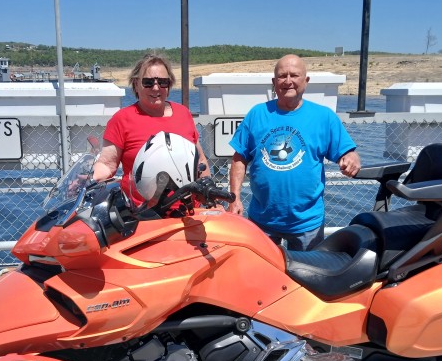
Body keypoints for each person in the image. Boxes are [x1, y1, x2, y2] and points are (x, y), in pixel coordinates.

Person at [227, 54, 360, 251]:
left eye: (294, 75)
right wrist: (234, 197)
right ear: (274, 82)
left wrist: (352, 158)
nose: (288, 81)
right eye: (282, 76)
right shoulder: (257, 114)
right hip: (262, 220)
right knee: (263, 277)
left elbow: (347, 152)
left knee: (308, 278)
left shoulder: (324, 117)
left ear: (306, 81)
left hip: (307, 223)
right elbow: (239, 158)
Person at [93, 54, 210, 205]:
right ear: (136, 84)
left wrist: (208, 193)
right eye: (148, 82)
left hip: (187, 212)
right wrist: (88, 179)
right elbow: (107, 165)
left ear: (169, 84)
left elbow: (199, 159)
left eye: (163, 82)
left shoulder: (183, 114)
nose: (156, 87)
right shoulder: (122, 119)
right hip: (141, 214)